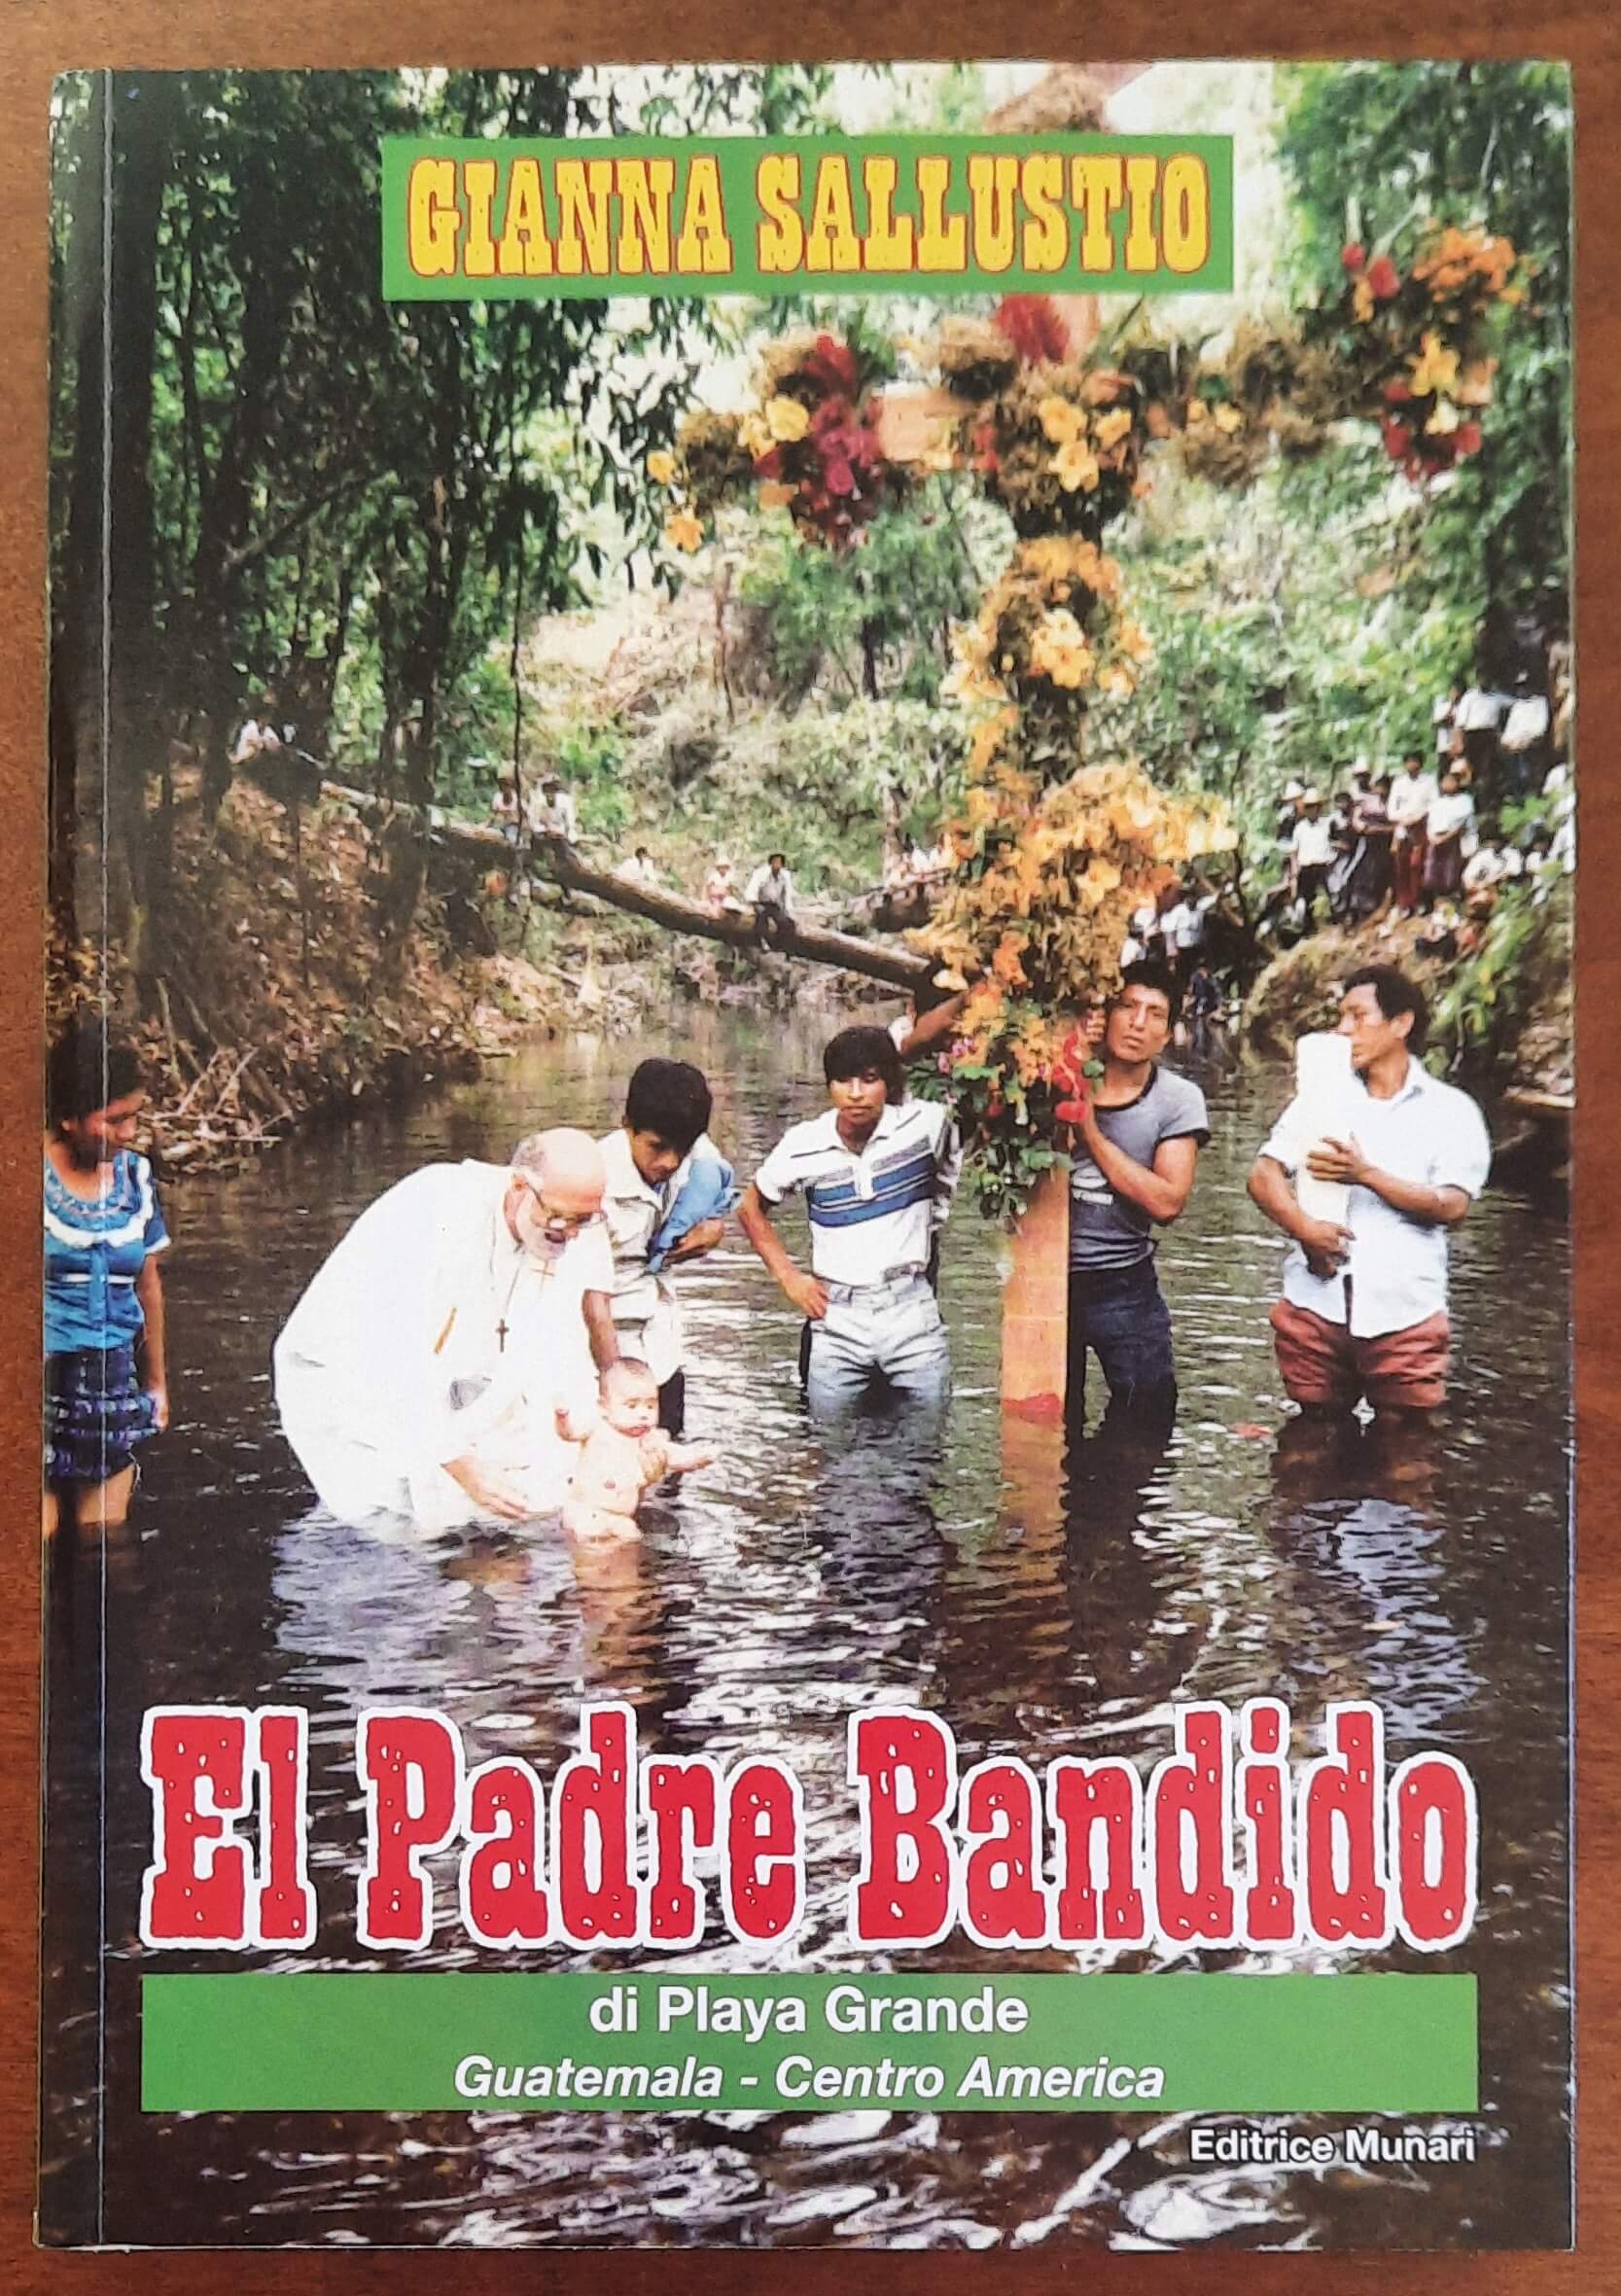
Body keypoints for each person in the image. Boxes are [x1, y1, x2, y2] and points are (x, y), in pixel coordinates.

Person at [273, 1129, 615, 1530]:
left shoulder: (567, 1234)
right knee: (384, 1531)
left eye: (583, 1221)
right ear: (519, 1185)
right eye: (559, 1216)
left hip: (458, 1387)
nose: (569, 1231)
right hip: (349, 1375)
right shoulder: (437, 1208)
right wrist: (461, 1463)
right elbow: (388, 1346)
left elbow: (562, 1348)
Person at [1247, 967, 1491, 1419]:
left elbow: (1453, 1207)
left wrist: (1366, 1175)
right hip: (1314, 1305)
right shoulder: (1321, 1100)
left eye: (1358, 1016)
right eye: (1341, 1017)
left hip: (1405, 1313)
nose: (1343, 1030)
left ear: (1402, 1023)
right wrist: (1305, 1228)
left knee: (1405, 1458)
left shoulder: (1450, 1111)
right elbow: (1263, 1174)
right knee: (1308, 1446)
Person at [737, 1025, 960, 1416]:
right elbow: (750, 1207)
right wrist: (790, 1278)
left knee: (924, 1450)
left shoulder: (925, 1125)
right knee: (829, 1449)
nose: (855, 1093)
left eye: (869, 1080)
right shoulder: (803, 1144)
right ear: (829, 1086)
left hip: (910, 1309)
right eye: (844, 1080)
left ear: (887, 1084)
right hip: (836, 1317)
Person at [1065, 965, 1209, 1433]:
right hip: (1048, 1280)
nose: (1138, 1022)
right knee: (1045, 1431)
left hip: (1124, 1283)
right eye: (1126, 1007)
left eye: (1154, 1014)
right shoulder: (1055, 1077)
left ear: (1167, 1034)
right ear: (1104, 1015)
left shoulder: (1177, 1099)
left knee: (1148, 1420)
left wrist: (1089, 1131)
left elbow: (1167, 1204)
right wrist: (1068, 1074)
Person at [44, 1020, 171, 1536]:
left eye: (134, 1118)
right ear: (69, 1119)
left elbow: (148, 1287)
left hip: (113, 1384)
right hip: (41, 1385)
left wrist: (158, 1384)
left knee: (105, 1543)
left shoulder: (136, 1179)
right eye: (113, 1120)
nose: (128, 1134)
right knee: (41, 1542)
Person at [595, 1059, 727, 1437]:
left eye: (681, 1150)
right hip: (601, 1340)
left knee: (667, 1460)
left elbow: (715, 1186)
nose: (669, 1162)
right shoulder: (592, 1181)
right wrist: (612, 1376)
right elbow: (590, 1296)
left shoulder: (698, 1159)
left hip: (659, 1341)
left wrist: (712, 1229)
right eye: (657, 1148)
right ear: (626, 1125)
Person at [557, 1360, 717, 1543]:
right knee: (605, 1541)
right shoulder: (597, 1429)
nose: (643, 1414)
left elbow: (674, 1455)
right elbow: (569, 1434)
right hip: (585, 1511)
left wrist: (698, 1458)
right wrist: (562, 1418)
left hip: (619, 1518)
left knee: (630, 1537)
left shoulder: (649, 1439)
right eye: (631, 1406)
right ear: (603, 1407)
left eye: (650, 1406)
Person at [1387, 750, 1438, 914]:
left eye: (1415, 761)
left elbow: (1434, 804)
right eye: (1408, 762)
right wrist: (1403, 819)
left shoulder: (1429, 781)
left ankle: (1419, 901)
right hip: (1402, 827)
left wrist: (1418, 818)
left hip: (1421, 827)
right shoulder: (1399, 783)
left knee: (1417, 865)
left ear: (1420, 764)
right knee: (1401, 866)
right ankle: (1404, 903)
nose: (1411, 765)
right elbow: (1391, 809)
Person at [1423, 767, 1475, 906]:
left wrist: (1445, 838)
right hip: (1436, 839)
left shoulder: (1465, 800)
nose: (1447, 784)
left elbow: (1460, 824)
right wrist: (1432, 838)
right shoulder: (1437, 802)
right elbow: (1430, 822)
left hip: (1454, 840)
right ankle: (1437, 902)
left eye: (1451, 781)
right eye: (1444, 781)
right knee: (1433, 873)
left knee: (1451, 872)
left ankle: (1453, 901)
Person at [1288, 790, 1334, 921]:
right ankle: (1307, 926)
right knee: (1305, 898)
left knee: (1332, 893)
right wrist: (1294, 871)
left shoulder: (1327, 824)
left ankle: (1335, 920)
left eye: (1313, 806)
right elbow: (1293, 851)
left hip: (1324, 866)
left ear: (1318, 807)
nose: (1311, 810)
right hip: (1307, 867)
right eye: (1308, 807)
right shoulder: (1300, 828)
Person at [745, 852, 795, 947]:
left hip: (774, 905)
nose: (777, 864)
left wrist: (789, 912)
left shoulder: (785, 876)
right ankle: (762, 942)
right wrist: (754, 904)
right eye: (775, 862)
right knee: (761, 918)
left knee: (786, 923)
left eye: (779, 862)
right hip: (760, 903)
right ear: (770, 863)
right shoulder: (761, 873)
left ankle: (779, 946)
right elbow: (752, 888)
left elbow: (787, 895)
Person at [229, 692, 283, 768]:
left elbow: (276, 744)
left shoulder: (268, 730)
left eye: (269, 717)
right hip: (246, 757)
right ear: (260, 716)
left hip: (262, 761)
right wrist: (261, 744)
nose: (267, 719)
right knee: (252, 750)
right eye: (266, 716)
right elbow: (252, 743)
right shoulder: (250, 727)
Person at [527, 772, 579, 845]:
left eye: (552, 789)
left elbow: (570, 824)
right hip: (543, 833)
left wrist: (561, 831)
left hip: (561, 834)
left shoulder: (565, 801)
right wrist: (545, 829)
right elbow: (533, 823)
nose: (549, 792)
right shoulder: (538, 802)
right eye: (546, 789)